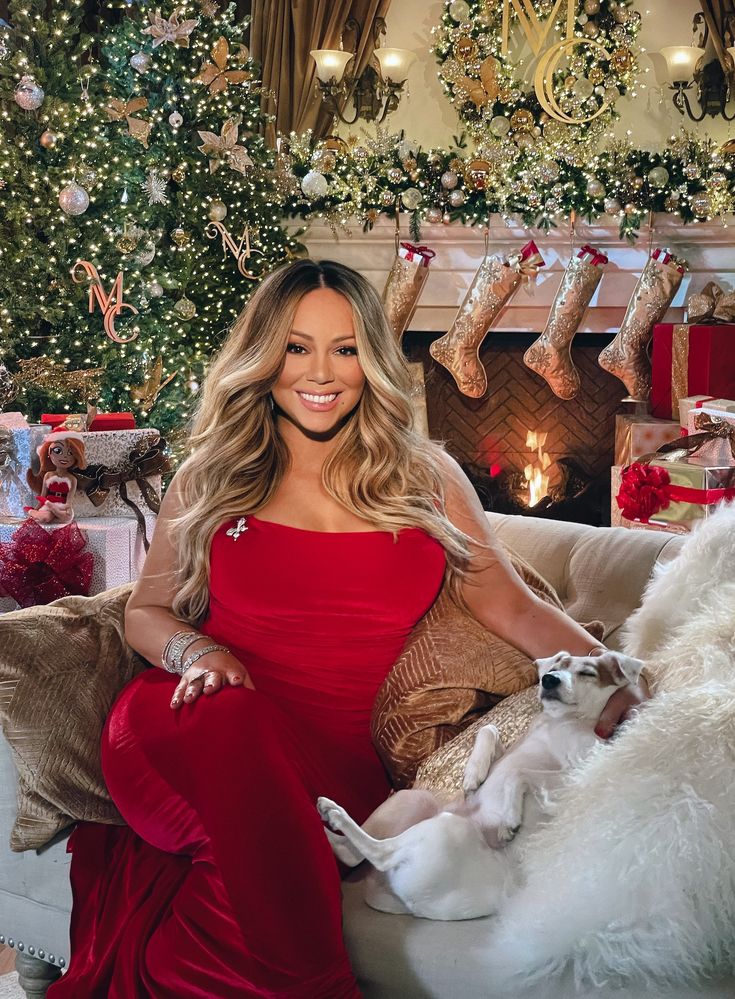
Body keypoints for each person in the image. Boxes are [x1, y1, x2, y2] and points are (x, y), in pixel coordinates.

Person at [49, 258, 646, 999]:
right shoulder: (212, 472)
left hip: (329, 773)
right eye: (296, 347)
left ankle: (180, 972)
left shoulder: (425, 477)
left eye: (344, 348)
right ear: (264, 358)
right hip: (190, 723)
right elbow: (146, 609)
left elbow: (513, 605)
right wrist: (197, 650)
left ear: (371, 359)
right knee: (231, 717)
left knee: (245, 894)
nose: (320, 372)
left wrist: (620, 673)